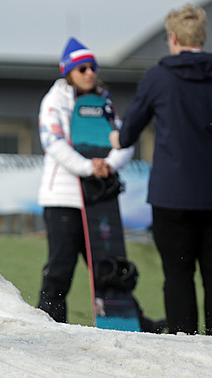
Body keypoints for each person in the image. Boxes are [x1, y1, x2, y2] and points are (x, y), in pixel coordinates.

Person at [110, 4, 212, 335]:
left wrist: (117, 136)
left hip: (172, 195)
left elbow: (129, 133)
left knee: (178, 275)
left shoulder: (159, 77)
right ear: (202, 37)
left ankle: (185, 347)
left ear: (173, 38)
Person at [37, 37, 134, 324]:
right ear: (68, 72)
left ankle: (123, 322)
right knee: (59, 269)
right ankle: (51, 327)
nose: (90, 73)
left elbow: (124, 141)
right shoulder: (53, 100)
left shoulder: (104, 101)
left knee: (108, 268)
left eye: (93, 67)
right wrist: (89, 167)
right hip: (62, 200)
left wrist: (109, 164)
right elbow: (52, 142)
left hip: (99, 200)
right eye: (82, 69)